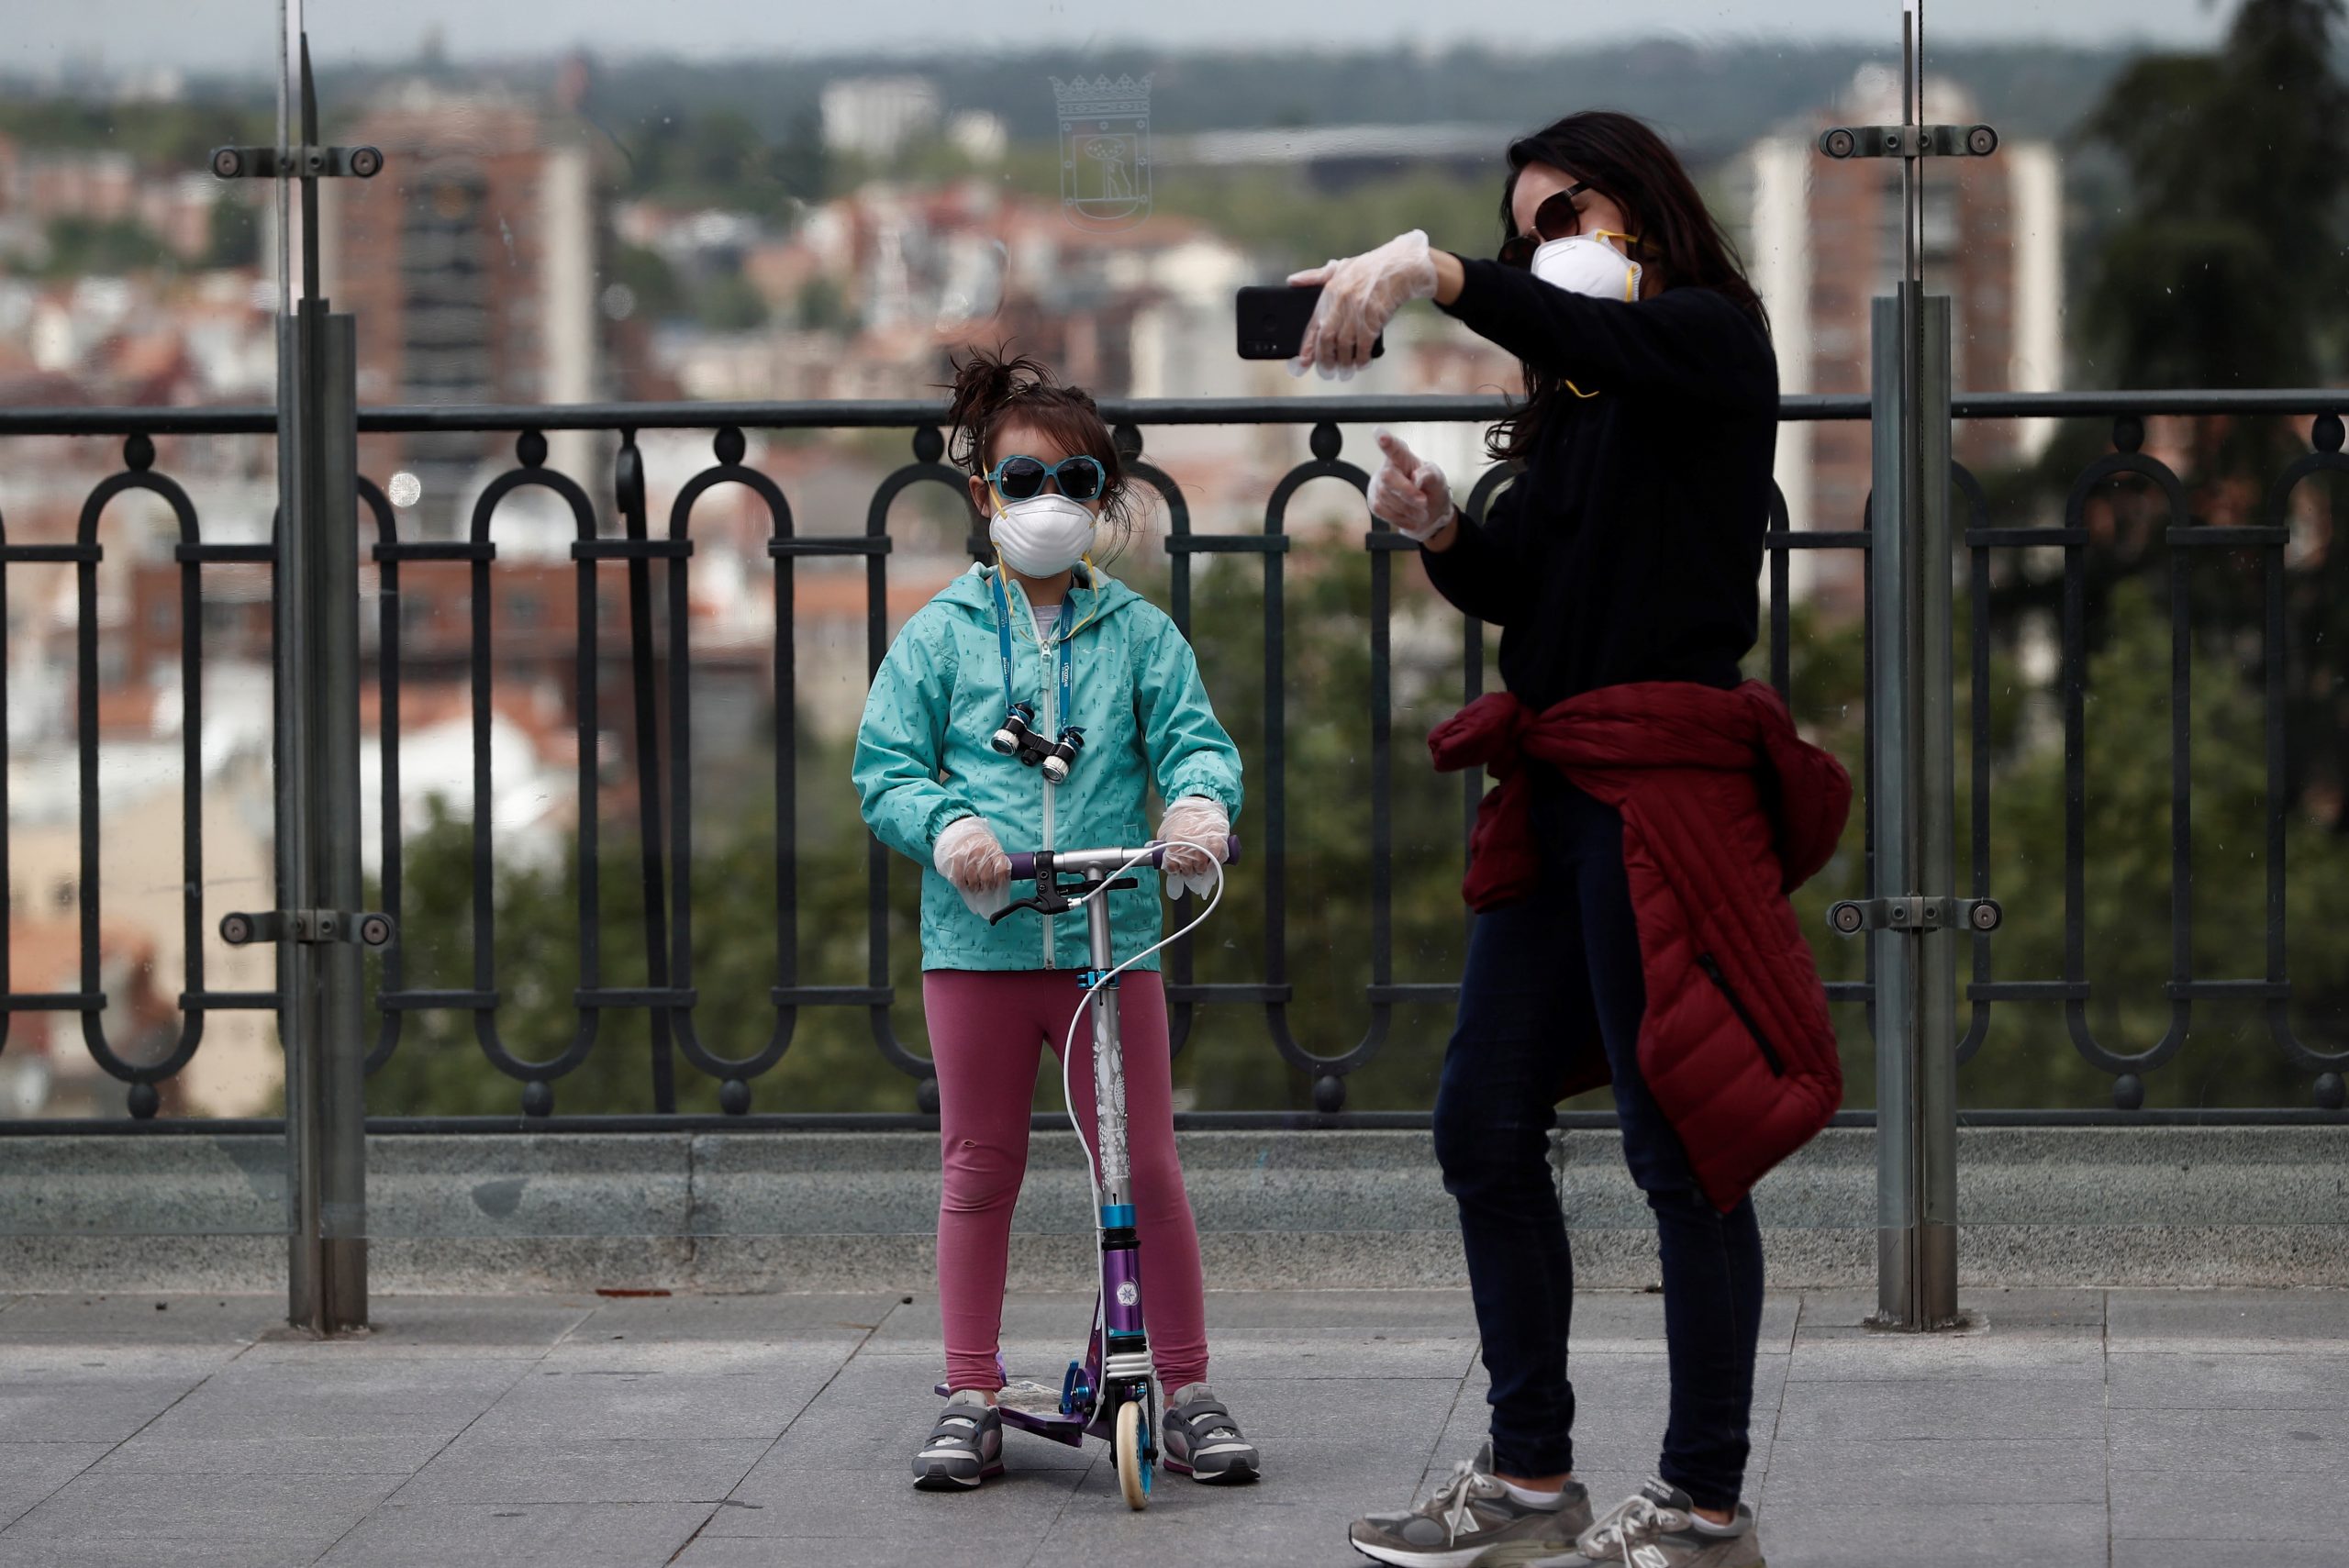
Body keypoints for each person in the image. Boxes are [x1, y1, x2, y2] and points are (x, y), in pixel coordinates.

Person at [1297, 115, 1852, 1568]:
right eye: (1530, 222)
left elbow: (1572, 324)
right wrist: (1440, 535)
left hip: (1662, 788)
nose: (1553, 239)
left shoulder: (1707, 344)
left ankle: (1704, 1501)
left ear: (1646, 206)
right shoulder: (1576, 399)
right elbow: (1533, 595)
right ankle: (1530, 1475)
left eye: (1572, 209)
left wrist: (1437, 270)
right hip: (1560, 786)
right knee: (1482, 1124)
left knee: (1683, 1148)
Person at [853, 348, 1261, 1492]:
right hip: (976, 945)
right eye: (1022, 479)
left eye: (1076, 482)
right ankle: (969, 1387)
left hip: (1109, 938)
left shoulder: (1137, 633)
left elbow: (1195, 739)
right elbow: (885, 763)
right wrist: (943, 826)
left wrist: (1194, 806)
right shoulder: (938, 635)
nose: (1048, 503)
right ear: (982, 491)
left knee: (1145, 1165)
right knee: (978, 1163)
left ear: (1103, 496)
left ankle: (1183, 1383)